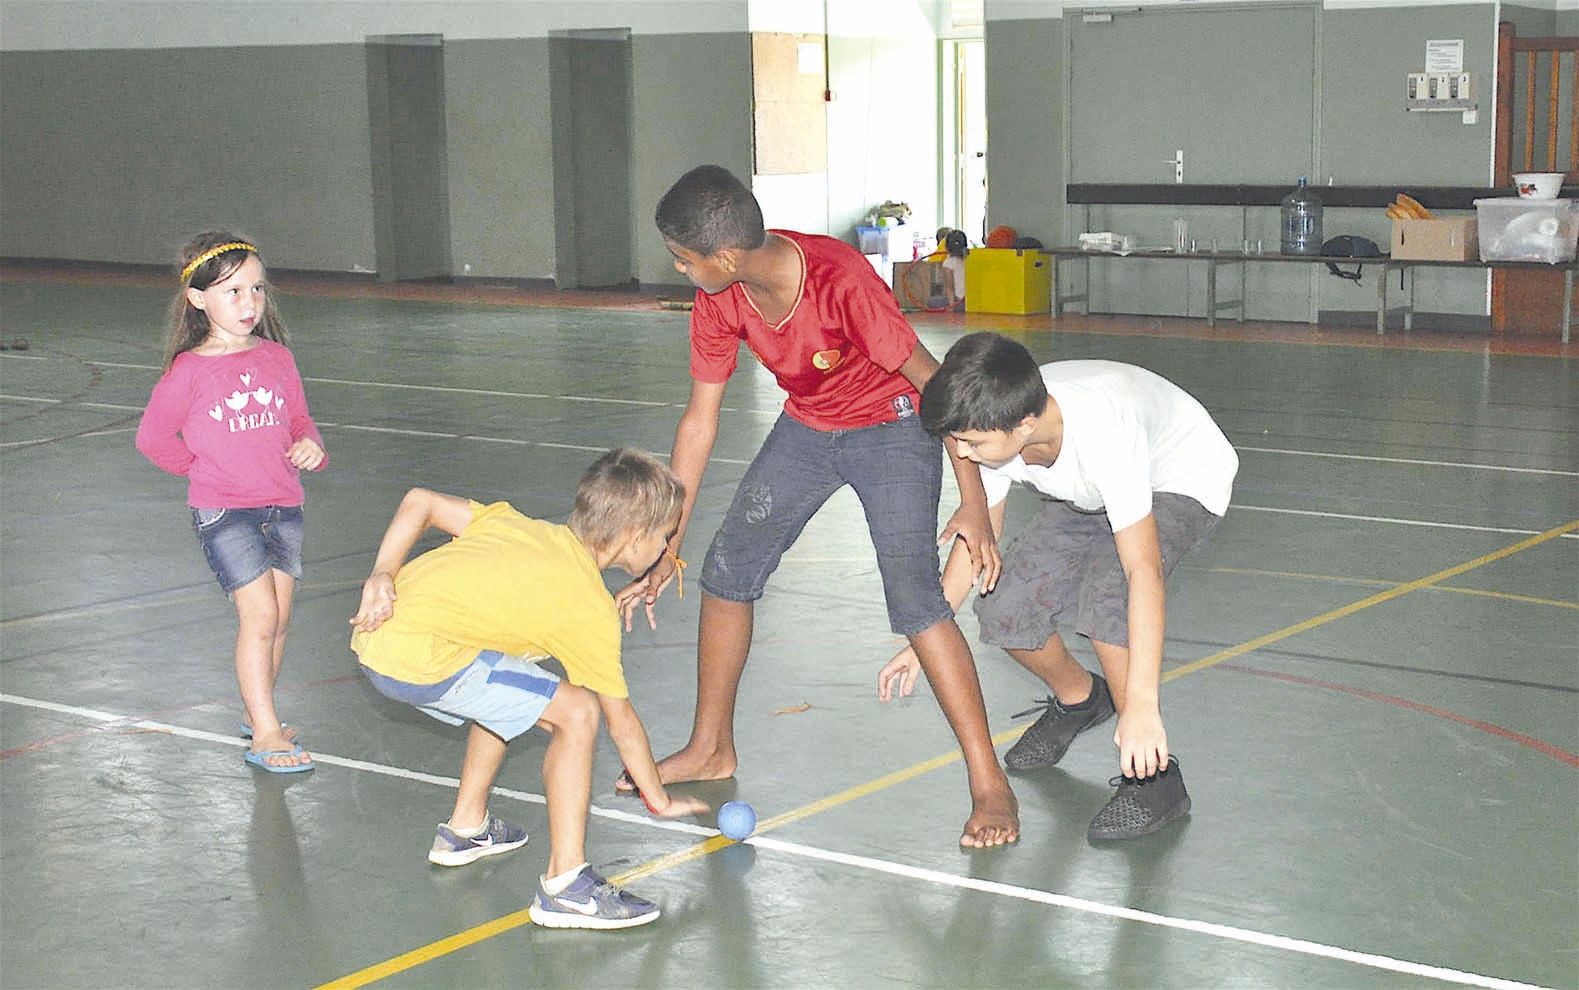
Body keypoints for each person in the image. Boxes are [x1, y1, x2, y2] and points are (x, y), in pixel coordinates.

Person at [615, 164, 1018, 849]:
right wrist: (665, 542)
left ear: (725, 255)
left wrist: (973, 499)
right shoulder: (722, 297)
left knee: (915, 598)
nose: (681, 272)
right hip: (808, 426)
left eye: (684, 261)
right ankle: (711, 748)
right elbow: (698, 423)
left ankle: (989, 783)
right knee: (726, 570)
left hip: (893, 423)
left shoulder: (839, 281)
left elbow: (936, 387)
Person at [878, 332, 1237, 841]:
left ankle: (1155, 779)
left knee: (1108, 597)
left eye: (971, 443)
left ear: (1024, 425)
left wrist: (1142, 705)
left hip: (1177, 476)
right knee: (1003, 606)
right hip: (1090, 493)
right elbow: (981, 537)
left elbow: (1142, 574)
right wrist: (925, 638)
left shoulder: (1104, 431)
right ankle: (1081, 697)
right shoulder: (996, 430)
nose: (961, 453)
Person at [348, 448, 708, 930]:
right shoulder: (586, 606)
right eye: (664, 538)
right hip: (416, 657)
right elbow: (621, 721)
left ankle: (466, 828)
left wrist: (383, 573)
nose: (666, 550)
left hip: (379, 634)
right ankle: (566, 886)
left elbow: (421, 501)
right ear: (633, 537)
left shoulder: (519, 525)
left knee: (516, 681)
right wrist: (657, 798)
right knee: (576, 711)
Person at [136, 232, 327, 773]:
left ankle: (255, 707)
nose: (249, 304)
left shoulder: (277, 358)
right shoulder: (189, 370)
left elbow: (298, 419)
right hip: (224, 512)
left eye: (257, 290)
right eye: (233, 292)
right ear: (199, 299)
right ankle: (266, 732)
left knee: (281, 619)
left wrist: (310, 445)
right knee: (260, 616)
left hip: (283, 503)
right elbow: (152, 439)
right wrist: (201, 470)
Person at [938, 229, 969, 312]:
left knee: (931, 302)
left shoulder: (948, 263)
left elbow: (949, 288)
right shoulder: (970, 259)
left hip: (959, 302)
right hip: (971, 302)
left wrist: (951, 307)